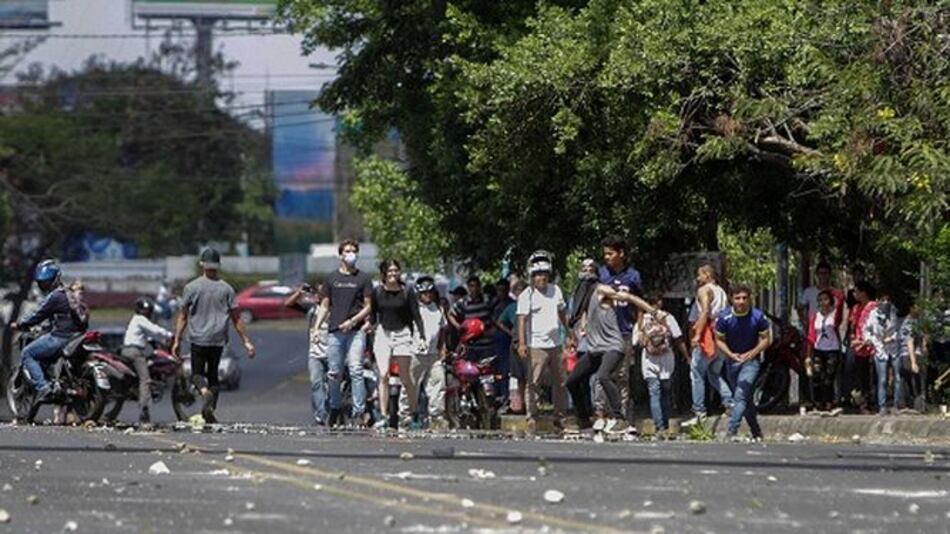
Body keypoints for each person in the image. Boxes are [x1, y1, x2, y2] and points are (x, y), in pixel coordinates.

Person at [172, 248, 256, 424]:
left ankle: (204, 393)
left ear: (202, 264)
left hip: (198, 339)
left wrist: (177, 340)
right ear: (218, 265)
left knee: (196, 375)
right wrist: (247, 342)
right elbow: (236, 319)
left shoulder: (191, 287)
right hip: (218, 341)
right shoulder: (227, 289)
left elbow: (183, 316)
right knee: (213, 377)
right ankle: (209, 409)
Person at [566, 282, 656, 433]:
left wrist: (653, 311)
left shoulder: (600, 289)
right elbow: (583, 320)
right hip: (595, 350)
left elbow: (629, 297)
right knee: (572, 381)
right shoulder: (586, 304)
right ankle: (583, 420)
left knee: (603, 376)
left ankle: (620, 419)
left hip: (613, 347)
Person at [314, 239, 374, 426]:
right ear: (340, 255)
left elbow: (368, 306)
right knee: (334, 373)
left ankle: (359, 410)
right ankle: (335, 406)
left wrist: (353, 321)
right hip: (335, 331)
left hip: (355, 331)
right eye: (347, 251)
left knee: (356, 370)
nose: (350, 254)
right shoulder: (332, 278)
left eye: (353, 251)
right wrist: (316, 328)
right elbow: (325, 306)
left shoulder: (363, 278)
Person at [13, 261, 88, 402]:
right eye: (42, 283)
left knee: (27, 353)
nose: (44, 285)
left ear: (55, 279)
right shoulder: (70, 293)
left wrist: (21, 324)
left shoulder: (55, 296)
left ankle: (43, 388)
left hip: (62, 337)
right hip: (78, 335)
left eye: (46, 282)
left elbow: (37, 315)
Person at [516, 256, 574, 433]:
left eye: (544, 274)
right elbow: (522, 320)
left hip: (555, 343)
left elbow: (562, 312)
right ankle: (532, 416)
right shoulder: (527, 295)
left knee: (561, 381)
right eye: (537, 274)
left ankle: (560, 416)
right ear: (532, 276)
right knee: (534, 381)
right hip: (536, 344)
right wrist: (522, 343)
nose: (541, 278)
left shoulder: (556, 291)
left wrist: (569, 333)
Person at [369, 259, 426, 430]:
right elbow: (373, 316)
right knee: (383, 375)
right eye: (390, 271)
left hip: (403, 333)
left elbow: (416, 315)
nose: (393, 274)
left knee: (405, 378)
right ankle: (383, 416)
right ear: (384, 273)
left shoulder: (407, 291)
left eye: (396, 270)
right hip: (383, 333)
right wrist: (367, 328)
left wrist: (422, 336)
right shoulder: (377, 292)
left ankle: (414, 414)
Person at [715, 284, 771, 441]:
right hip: (732, 362)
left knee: (740, 395)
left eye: (744, 298)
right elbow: (719, 340)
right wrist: (730, 354)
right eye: (737, 298)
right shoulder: (724, 317)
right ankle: (756, 431)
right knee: (746, 399)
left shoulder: (758, 316)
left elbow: (766, 339)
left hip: (751, 362)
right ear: (731, 299)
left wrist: (752, 353)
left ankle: (731, 430)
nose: (741, 301)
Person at [597, 236, 644, 425]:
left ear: (621, 253)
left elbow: (639, 303)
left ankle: (620, 415)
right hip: (604, 333)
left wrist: (639, 327)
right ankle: (601, 413)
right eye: (605, 254)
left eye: (610, 253)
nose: (607, 257)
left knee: (623, 375)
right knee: (602, 374)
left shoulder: (633, 276)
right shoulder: (601, 274)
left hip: (624, 331)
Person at [684, 264, 733, 427]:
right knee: (714, 373)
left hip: (708, 335)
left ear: (707, 275)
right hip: (721, 335)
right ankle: (730, 402)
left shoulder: (704, 290)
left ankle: (699, 411)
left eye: (699, 275)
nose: (698, 279)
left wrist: (697, 334)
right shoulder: (722, 292)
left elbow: (705, 311)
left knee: (696, 372)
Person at [638, 293, 688, 436]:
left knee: (654, 393)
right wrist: (687, 356)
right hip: (667, 360)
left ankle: (659, 427)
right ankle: (665, 424)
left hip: (649, 360)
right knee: (666, 393)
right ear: (660, 302)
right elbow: (678, 338)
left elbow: (637, 342)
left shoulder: (643, 319)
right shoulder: (668, 317)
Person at [121, 297, 173, 424]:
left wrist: (159, 342)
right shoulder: (140, 319)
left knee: (138, 376)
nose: (148, 313)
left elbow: (150, 336)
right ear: (140, 310)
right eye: (146, 310)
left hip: (126, 350)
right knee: (145, 380)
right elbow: (155, 329)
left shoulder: (136, 321)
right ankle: (144, 409)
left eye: (149, 310)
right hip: (134, 352)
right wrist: (169, 335)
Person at [285, 282, 330, 426]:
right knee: (316, 383)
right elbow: (288, 304)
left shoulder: (336, 309)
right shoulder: (311, 309)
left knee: (332, 385)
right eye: (319, 293)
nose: (321, 296)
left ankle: (331, 410)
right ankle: (321, 414)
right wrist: (300, 293)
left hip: (333, 353)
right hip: (315, 353)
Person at [805, 289, 843, 412]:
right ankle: (818, 403)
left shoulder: (834, 314)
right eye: (820, 300)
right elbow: (811, 336)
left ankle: (829, 402)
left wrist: (830, 290)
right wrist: (808, 355)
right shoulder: (815, 316)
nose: (823, 302)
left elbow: (841, 298)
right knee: (816, 377)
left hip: (832, 350)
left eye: (825, 299)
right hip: (818, 350)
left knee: (828, 378)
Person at [864, 293, 900, 414]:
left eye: (887, 299)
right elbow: (867, 330)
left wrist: (892, 338)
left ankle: (896, 405)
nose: (885, 302)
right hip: (880, 349)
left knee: (897, 377)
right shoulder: (873, 314)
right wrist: (870, 340)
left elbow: (898, 330)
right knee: (883, 379)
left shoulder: (894, 312)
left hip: (893, 348)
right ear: (878, 300)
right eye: (883, 299)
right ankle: (882, 405)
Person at [497, 279, 528, 414]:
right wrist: (511, 333)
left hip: (532, 341)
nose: (520, 293)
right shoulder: (512, 307)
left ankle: (532, 403)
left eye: (523, 290)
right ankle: (522, 404)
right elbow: (500, 322)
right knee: (519, 376)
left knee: (532, 375)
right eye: (518, 291)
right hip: (516, 342)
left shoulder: (532, 305)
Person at [846, 281, 877, 412]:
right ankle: (860, 402)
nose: (854, 294)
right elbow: (852, 326)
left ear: (863, 293)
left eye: (857, 291)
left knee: (870, 375)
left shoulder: (873, 307)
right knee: (857, 373)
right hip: (857, 346)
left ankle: (871, 402)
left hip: (870, 345)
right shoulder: (855, 308)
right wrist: (853, 338)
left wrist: (864, 341)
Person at [448, 276, 496, 361]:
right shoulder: (464, 302)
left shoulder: (487, 299)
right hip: (470, 345)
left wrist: (494, 328)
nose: (474, 289)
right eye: (472, 286)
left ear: (480, 286)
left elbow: (499, 310)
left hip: (487, 343)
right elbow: (450, 313)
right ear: (468, 287)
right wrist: (458, 327)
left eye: (477, 285)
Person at [798, 261, 846, 328]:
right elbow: (800, 308)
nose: (823, 276)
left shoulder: (836, 293)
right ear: (817, 275)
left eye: (825, 273)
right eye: (821, 273)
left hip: (830, 328)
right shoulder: (809, 291)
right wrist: (804, 322)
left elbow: (841, 311)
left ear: (829, 274)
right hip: (813, 329)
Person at [492, 278, 514, 402]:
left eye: (503, 290)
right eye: (499, 290)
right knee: (496, 369)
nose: (501, 293)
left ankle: (506, 395)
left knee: (507, 369)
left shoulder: (511, 305)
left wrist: (511, 334)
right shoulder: (494, 304)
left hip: (507, 341)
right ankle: (497, 394)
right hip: (496, 341)